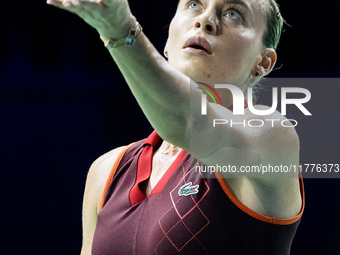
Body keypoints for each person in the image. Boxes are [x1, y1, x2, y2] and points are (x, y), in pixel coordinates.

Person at [48, 0, 305, 254]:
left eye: (233, 14)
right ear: (168, 42)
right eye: (194, 4)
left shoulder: (273, 137)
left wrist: (120, 30)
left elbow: (189, 123)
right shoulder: (106, 172)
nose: (204, 20)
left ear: (263, 62)